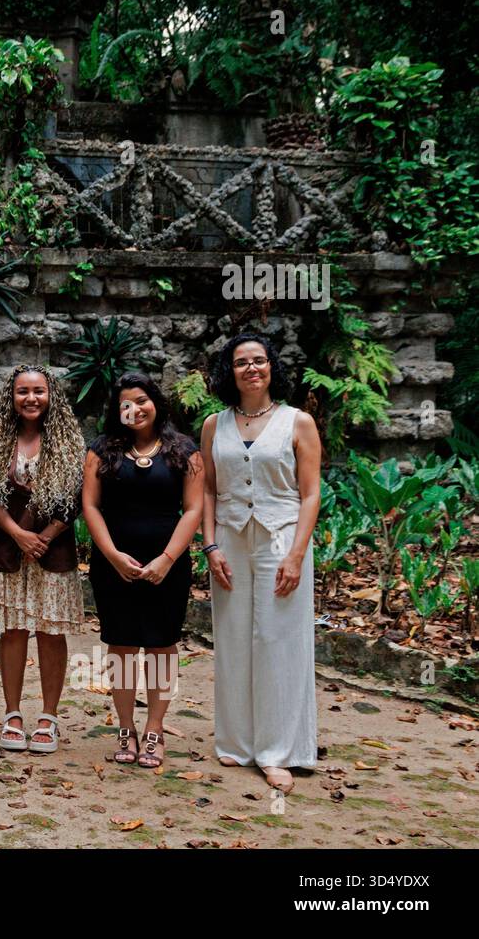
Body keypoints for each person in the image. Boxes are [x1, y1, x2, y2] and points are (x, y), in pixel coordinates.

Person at [202, 333, 321, 794]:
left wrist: (296, 554)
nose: (251, 368)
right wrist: (210, 547)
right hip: (230, 539)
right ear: (228, 371)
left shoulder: (298, 422)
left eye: (259, 360)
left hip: (281, 540)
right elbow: (209, 490)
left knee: (277, 638)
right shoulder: (215, 424)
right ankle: (236, 741)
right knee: (233, 638)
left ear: (272, 367)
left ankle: (278, 751)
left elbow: (310, 493)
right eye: (240, 362)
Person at [81, 372, 204, 769]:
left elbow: (194, 509)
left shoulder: (184, 451)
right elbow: (91, 507)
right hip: (113, 565)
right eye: (125, 403)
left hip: (167, 566)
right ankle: (124, 727)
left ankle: (154, 727)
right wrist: (113, 555)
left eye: (142, 399)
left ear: (156, 401)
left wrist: (167, 559)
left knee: (161, 647)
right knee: (121, 647)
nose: (135, 408)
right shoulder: (101, 451)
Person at [0, 366, 86, 754]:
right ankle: (11, 714)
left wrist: (44, 536)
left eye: (38, 391)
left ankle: (48, 717)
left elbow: (74, 497)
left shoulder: (69, 443)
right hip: (8, 547)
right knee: (13, 630)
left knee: (51, 631)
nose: (30, 398)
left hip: (52, 549)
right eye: (22, 391)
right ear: (11, 396)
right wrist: (19, 534)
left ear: (50, 395)